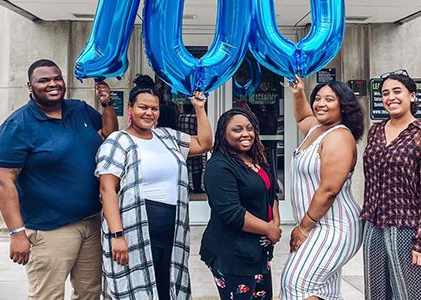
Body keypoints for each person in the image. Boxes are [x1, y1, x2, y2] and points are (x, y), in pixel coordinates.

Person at [0, 58, 118, 299]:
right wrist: (17, 233)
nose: (53, 84)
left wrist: (107, 105)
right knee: (48, 295)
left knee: (90, 293)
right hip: (50, 230)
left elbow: (109, 137)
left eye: (57, 78)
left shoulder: (79, 109)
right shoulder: (17, 125)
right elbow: (2, 180)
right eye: (44, 80)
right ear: (30, 86)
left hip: (91, 222)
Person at [95, 74, 212, 299]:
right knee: (136, 288)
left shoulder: (167, 137)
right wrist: (117, 235)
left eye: (154, 109)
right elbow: (107, 190)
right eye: (143, 107)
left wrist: (199, 107)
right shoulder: (118, 141)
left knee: (166, 286)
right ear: (130, 108)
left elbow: (204, 143)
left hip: (172, 228)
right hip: (133, 228)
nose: (149, 113)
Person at [360, 70, 421, 299]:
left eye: (397, 91)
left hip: (407, 228)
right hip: (374, 226)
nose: (390, 97)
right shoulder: (375, 131)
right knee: (376, 294)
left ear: (412, 96)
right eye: (385, 93)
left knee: (413, 294)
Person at [280, 76, 364, 299]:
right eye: (317, 98)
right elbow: (303, 117)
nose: (321, 104)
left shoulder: (339, 137)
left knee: (296, 283)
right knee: (323, 290)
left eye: (329, 99)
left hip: (335, 226)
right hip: (318, 223)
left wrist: (304, 227)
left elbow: (329, 189)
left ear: (343, 106)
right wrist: (298, 93)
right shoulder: (317, 129)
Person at [200, 108, 282, 300]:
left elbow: (271, 195)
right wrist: (269, 229)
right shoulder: (219, 167)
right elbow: (232, 213)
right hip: (231, 254)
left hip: (257, 252)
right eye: (237, 130)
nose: (246, 134)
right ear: (223, 134)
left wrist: (274, 225)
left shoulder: (256, 159)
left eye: (249, 128)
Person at [178, 104, 206, 193]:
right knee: (197, 168)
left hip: (183, 143)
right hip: (194, 142)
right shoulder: (194, 117)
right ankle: (197, 188)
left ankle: (187, 187)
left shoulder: (180, 117)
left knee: (185, 167)